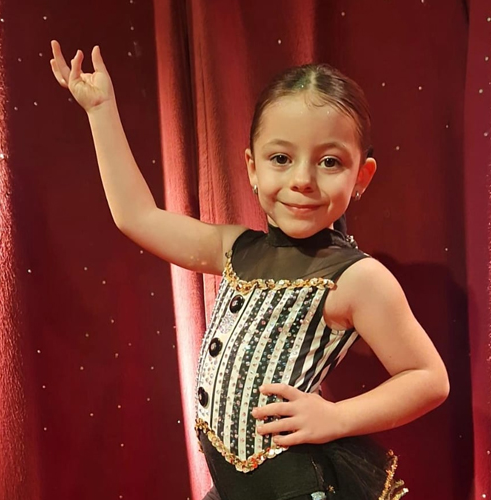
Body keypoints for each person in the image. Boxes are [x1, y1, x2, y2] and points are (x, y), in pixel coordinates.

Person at [50, 40, 450, 500]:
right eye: (281, 158)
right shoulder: (234, 248)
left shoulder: (356, 278)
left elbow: (428, 378)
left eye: (330, 162)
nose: (302, 180)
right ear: (252, 167)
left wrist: (336, 417)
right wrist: (100, 110)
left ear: (361, 176)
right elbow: (137, 217)